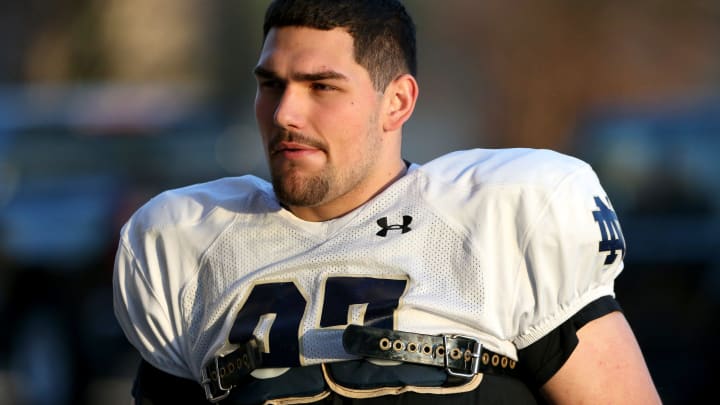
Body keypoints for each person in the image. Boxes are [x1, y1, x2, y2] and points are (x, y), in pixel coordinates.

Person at [113, 0, 662, 403]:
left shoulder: (498, 217)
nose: (284, 114)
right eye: (271, 85)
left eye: (321, 87)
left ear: (396, 102)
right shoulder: (188, 243)